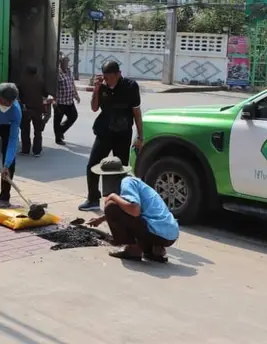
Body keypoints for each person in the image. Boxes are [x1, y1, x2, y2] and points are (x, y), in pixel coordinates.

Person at [79, 60, 143, 211]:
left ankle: (119, 202)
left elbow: (137, 113)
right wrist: (96, 89)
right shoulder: (101, 87)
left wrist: (140, 137)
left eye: (110, 78)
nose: (107, 81)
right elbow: (94, 108)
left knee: (119, 169)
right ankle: (93, 198)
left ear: (118, 74)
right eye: (105, 77)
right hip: (104, 132)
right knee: (92, 165)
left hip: (123, 133)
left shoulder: (130, 86)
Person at [88, 166, 179, 263]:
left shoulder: (127, 183)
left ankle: (132, 249)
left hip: (157, 232)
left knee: (111, 206)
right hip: (169, 235)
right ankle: (152, 250)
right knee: (120, 206)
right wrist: (101, 219)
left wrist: (112, 196)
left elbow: (134, 210)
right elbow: (126, 210)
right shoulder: (135, 182)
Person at [17, 65, 50, 157]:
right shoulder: (41, 81)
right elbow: (45, 94)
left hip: (26, 109)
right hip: (37, 109)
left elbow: (20, 95)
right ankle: (37, 151)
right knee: (38, 131)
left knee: (25, 130)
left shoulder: (22, 82)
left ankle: (25, 150)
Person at [53, 56, 80, 145]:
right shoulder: (57, 73)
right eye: (64, 62)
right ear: (60, 63)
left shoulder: (69, 71)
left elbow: (72, 83)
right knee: (57, 120)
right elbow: (54, 88)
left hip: (69, 100)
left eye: (67, 62)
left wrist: (76, 95)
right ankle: (58, 138)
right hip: (60, 102)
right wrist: (54, 100)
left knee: (74, 116)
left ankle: (60, 131)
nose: (66, 64)